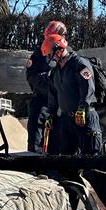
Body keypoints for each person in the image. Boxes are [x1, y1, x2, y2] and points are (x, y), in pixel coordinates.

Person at [36, 34, 102, 155]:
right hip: (67, 120)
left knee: (90, 157)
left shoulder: (79, 64)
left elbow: (87, 87)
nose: (49, 58)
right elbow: (53, 93)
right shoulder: (55, 72)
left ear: (59, 50)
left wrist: (82, 108)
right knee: (66, 157)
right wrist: (50, 113)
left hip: (84, 117)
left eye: (50, 54)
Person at [25, 20, 67, 152]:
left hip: (60, 103)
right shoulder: (40, 53)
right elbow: (31, 75)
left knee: (58, 137)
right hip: (42, 100)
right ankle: (34, 163)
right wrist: (47, 84)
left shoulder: (68, 54)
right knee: (35, 134)